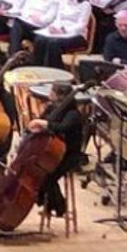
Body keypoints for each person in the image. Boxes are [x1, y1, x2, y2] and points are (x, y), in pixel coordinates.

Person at [29, 82, 84, 219]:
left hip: (69, 155)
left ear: (60, 96)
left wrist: (45, 124)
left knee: (47, 176)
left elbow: (63, 127)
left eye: (52, 92)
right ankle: (52, 204)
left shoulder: (73, 114)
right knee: (42, 174)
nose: (49, 94)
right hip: (53, 152)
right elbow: (41, 120)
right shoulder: (52, 108)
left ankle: (58, 205)